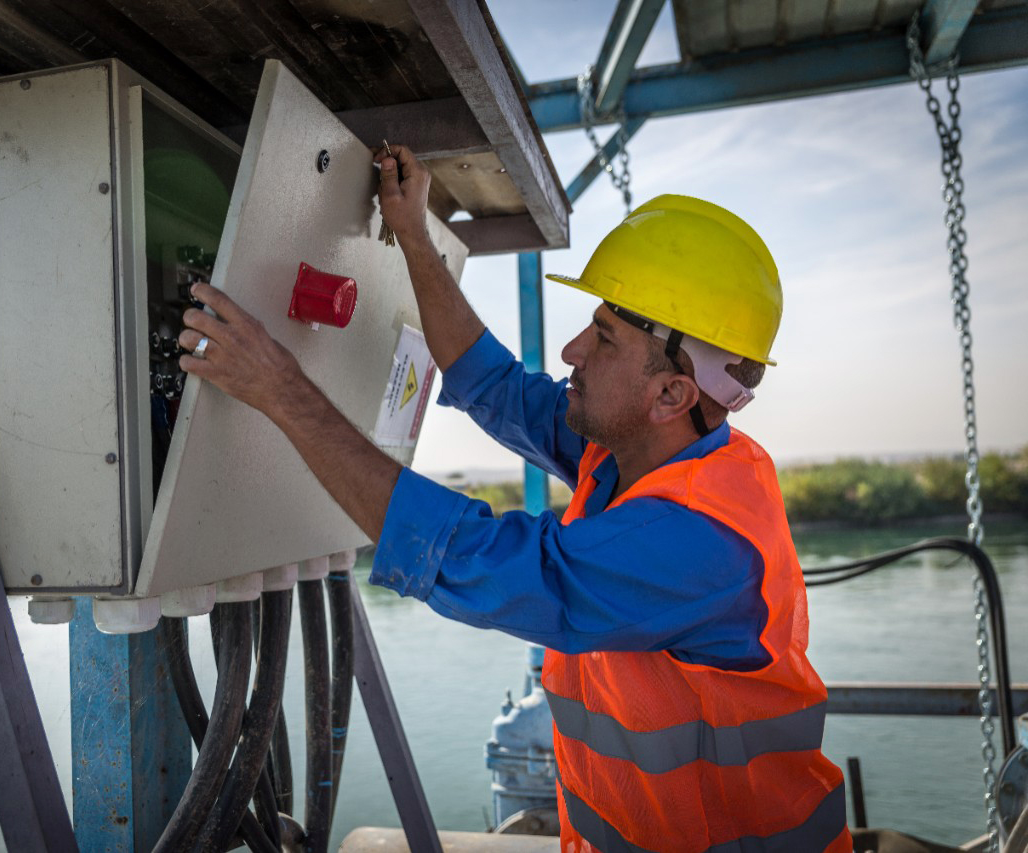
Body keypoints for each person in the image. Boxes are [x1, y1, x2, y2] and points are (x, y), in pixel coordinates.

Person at [178, 144, 851, 852]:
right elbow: (490, 380)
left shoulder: (699, 544)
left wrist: (281, 388)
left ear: (671, 392)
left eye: (604, 337)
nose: (570, 351)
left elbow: (480, 560)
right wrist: (411, 233)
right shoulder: (634, 452)